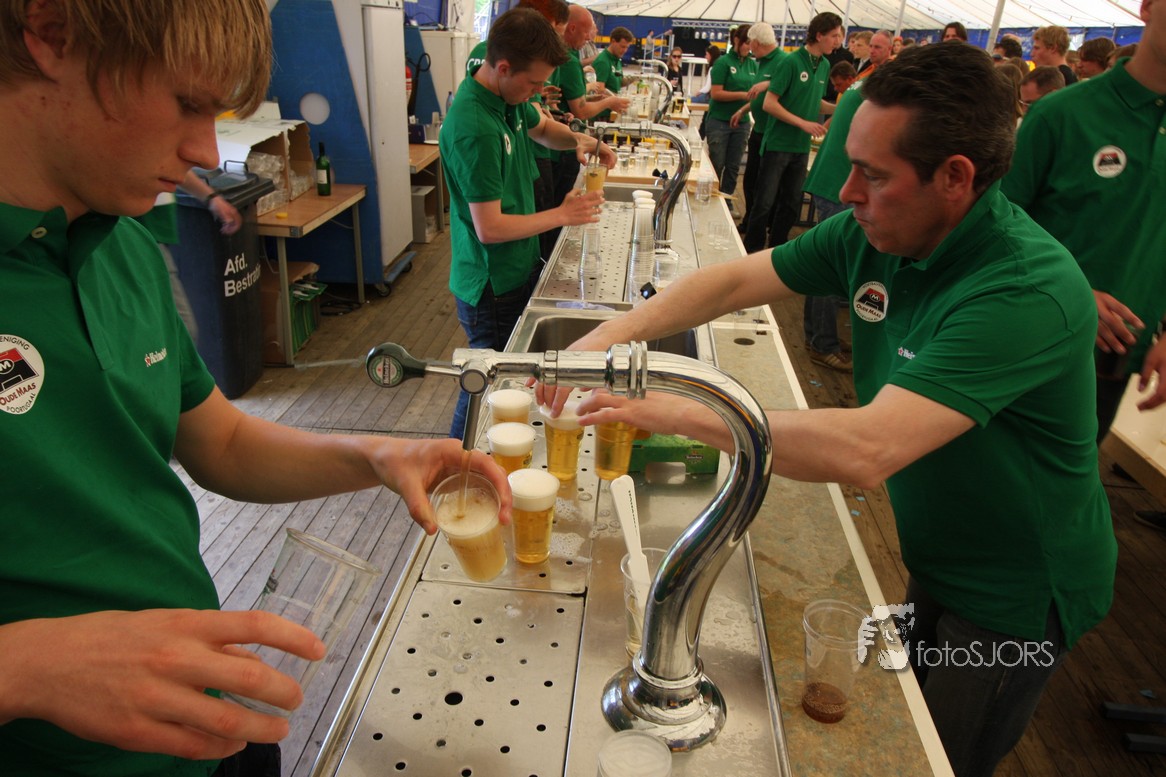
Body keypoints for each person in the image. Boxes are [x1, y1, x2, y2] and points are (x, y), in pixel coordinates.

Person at [543, 43, 1115, 777]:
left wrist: (673, 409)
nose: (846, 192)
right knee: (916, 711)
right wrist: (609, 335)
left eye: (873, 174)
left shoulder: (1025, 289)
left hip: (1018, 590)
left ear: (955, 177)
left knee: (944, 753)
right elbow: (731, 283)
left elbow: (864, 449)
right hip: (938, 550)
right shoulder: (878, 233)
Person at [0, 1, 514, 774]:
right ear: (51, 32)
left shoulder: (119, 238)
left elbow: (224, 440)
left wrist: (378, 455)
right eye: (187, 103)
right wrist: (24, 665)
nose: (206, 151)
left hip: (212, 715)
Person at [441, 7, 613, 439]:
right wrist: (562, 215)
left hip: (515, 267)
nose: (539, 93)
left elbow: (543, 129)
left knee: (499, 378)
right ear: (503, 67)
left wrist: (582, 140)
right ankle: (458, 460)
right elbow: (490, 228)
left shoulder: (507, 98)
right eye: (534, 84)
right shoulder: (475, 127)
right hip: (492, 284)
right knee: (486, 384)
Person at [1003, 0, 1166, 454]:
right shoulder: (1062, 113)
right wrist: (1072, 293)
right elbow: (995, 223)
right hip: (1033, 344)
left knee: (1070, 477)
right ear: (1147, 8)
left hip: (1116, 360)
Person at [743, 12, 843, 253]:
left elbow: (814, 102)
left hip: (801, 147)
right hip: (778, 145)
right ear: (819, 35)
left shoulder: (824, 65)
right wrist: (803, 124)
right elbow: (769, 104)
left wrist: (842, 107)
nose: (838, 41)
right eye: (834, 35)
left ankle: (777, 250)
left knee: (791, 203)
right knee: (764, 203)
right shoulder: (791, 62)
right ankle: (751, 250)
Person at [136, 169, 245, 344]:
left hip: (155, 231)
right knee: (182, 331)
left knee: (178, 332)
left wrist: (211, 198)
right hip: (140, 237)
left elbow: (170, 165)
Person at [730, 22, 784, 229]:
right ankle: (751, 220)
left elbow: (786, 85)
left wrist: (767, 84)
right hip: (759, 130)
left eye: (750, 42)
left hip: (773, 134)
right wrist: (743, 110)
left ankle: (761, 226)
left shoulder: (783, 61)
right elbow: (758, 97)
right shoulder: (762, 62)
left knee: (766, 185)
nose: (749, 46)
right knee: (750, 180)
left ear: (757, 42)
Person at [705, 24, 757, 206]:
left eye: (752, 43)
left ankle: (726, 200)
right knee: (717, 163)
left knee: (734, 166)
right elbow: (716, 93)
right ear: (736, 40)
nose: (749, 47)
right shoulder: (723, 63)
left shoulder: (752, 64)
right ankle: (712, 198)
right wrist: (743, 95)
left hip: (742, 123)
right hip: (720, 121)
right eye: (747, 43)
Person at [591, 26, 633, 120]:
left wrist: (634, 79)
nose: (625, 50)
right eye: (622, 46)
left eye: (627, 47)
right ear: (613, 41)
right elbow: (599, 89)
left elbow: (618, 81)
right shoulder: (603, 61)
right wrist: (618, 99)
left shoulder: (616, 59)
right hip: (602, 115)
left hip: (613, 111)